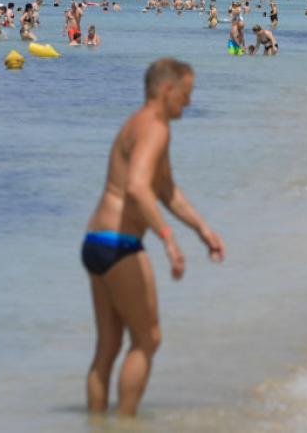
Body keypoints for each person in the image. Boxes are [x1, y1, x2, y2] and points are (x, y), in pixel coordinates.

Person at [81, 59, 225, 416]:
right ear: (167, 90)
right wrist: (167, 238)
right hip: (121, 245)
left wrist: (202, 230)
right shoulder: (155, 128)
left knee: (109, 345)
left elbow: (166, 190)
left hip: (97, 240)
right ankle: (125, 423)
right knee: (148, 339)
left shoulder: (138, 123)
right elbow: (138, 187)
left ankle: (99, 424)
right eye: (186, 94)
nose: (189, 103)